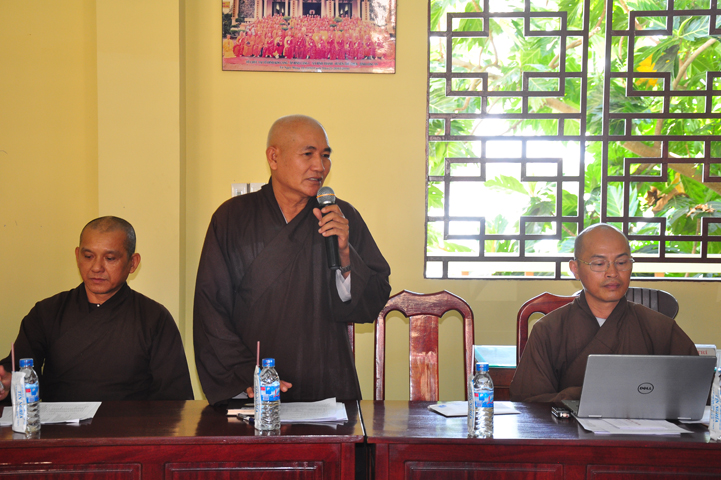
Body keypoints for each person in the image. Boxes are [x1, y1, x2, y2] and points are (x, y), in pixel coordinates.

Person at [193, 114, 391, 405]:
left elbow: (371, 302)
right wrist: (243, 372)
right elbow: (210, 308)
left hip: (326, 382)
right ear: (273, 157)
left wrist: (345, 253)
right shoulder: (232, 218)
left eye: (325, 155)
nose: (319, 166)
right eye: (308, 154)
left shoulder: (340, 216)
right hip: (254, 384)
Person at [0, 216, 194, 402]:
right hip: (60, 424)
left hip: (130, 424)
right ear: (77, 256)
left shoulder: (154, 318)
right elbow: (19, 370)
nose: (96, 267)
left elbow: (174, 397)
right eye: (88, 256)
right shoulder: (47, 312)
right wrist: (7, 383)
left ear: (133, 263)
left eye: (110, 258)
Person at [509, 223, 697, 403]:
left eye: (621, 262)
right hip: (567, 426)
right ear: (575, 269)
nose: (612, 272)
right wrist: (578, 396)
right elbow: (529, 403)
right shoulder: (548, 330)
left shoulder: (660, 328)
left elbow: (696, 389)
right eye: (599, 263)